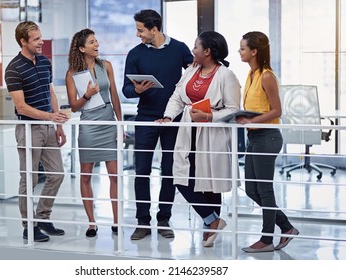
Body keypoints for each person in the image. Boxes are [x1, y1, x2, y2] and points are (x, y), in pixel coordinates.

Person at [158, 31, 241, 247]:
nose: (192, 50)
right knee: (181, 177)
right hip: (188, 131)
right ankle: (213, 221)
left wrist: (209, 116)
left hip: (212, 134)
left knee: (210, 181)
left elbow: (233, 109)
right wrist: (168, 116)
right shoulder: (191, 70)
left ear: (208, 51)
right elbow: (177, 96)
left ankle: (209, 229)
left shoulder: (226, 75)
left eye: (196, 46)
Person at [122, 9, 193, 240]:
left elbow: (196, 75)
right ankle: (142, 221)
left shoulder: (180, 48)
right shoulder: (135, 54)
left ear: (154, 29)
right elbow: (126, 89)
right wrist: (137, 90)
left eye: (140, 30)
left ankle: (164, 219)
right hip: (145, 119)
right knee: (141, 171)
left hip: (174, 120)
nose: (137, 34)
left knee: (169, 171)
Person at [5, 21, 68, 242]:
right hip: (27, 128)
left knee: (57, 174)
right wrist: (50, 117)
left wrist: (57, 123)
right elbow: (21, 106)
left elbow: (50, 92)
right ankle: (28, 226)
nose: (42, 42)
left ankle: (42, 217)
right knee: (29, 179)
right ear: (23, 41)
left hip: (48, 127)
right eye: (36, 39)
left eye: (41, 37)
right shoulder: (13, 68)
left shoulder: (44, 61)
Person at [237, 31, 299, 253]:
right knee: (251, 190)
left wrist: (249, 119)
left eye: (243, 48)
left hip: (268, 137)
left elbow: (277, 110)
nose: (239, 51)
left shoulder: (266, 76)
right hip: (254, 136)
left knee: (264, 190)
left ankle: (266, 239)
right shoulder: (251, 74)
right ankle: (286, 227)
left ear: (254, 51)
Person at [66, 28, 122, 237]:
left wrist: (120, 125)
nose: (96, 44)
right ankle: (92, 223)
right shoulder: (72, 74)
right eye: (91, 42)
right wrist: (88, 95)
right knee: (86, 176)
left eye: (96, 41)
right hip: (89, 125)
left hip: (108, 122)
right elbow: (73, 106)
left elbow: (114, 95)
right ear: (81, 48)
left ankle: (116, 222)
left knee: (115, 175)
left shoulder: (106, 66)